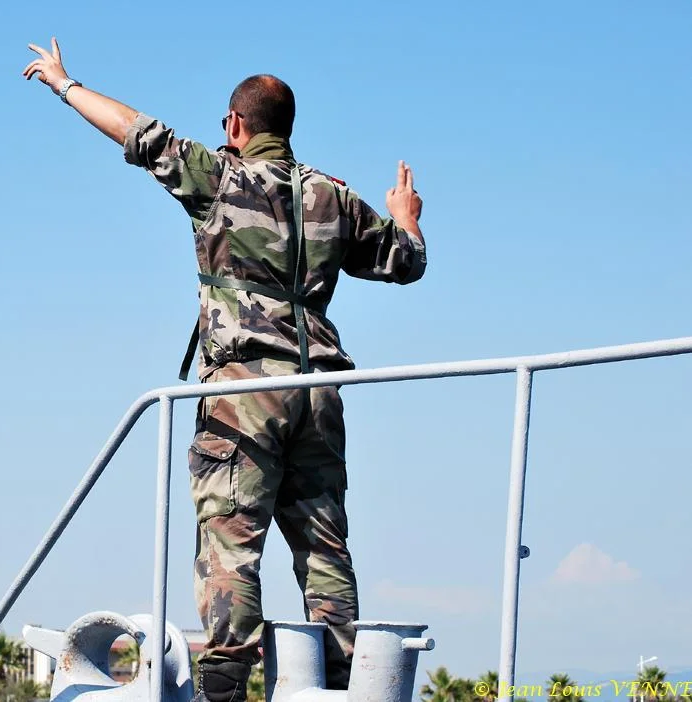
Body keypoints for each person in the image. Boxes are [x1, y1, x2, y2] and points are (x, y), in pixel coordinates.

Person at [22, 38, 427, 702]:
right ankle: (344, 681)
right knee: (325, 547)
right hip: (316, 391)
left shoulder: (221, 177)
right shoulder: (334, 197)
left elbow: (137, 132)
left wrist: (64, 84)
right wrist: (407, 221)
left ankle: (224, 689)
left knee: (231, 547)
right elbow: (405, 263)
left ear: (236, 125)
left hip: (245, 391)